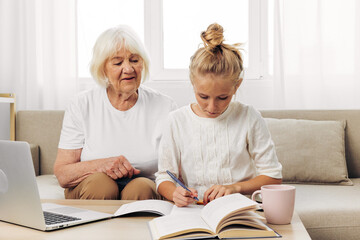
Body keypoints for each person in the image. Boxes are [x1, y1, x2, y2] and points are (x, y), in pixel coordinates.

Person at [155, 23, 282, 207]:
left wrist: (234, 188)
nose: (212, 107)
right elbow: (164, 177)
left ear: (236, 86)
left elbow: (274, 177)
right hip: (194, 209)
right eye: (203, 96)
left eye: (223, 97)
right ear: (192, 83)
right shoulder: (176, 121)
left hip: (238, 209)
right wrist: (175, 193)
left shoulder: (249, 117)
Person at [54, 25, 177, 200]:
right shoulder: (81, 104)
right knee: (101, 185)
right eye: (118, 63)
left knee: (141, 187)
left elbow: (176, 170)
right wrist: (101, 165)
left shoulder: (165, 105)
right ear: (102, 68)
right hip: (93, 188)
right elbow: (62, 174)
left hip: (143, 189)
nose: (128, 69)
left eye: (134, 60)